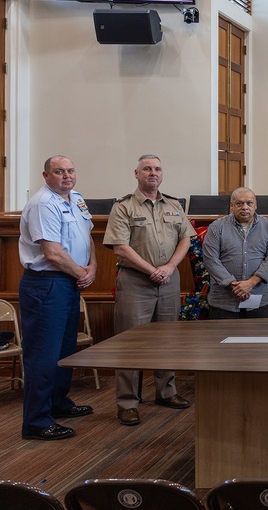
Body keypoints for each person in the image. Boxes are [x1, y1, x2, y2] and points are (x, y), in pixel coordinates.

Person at [104, 154, 194, 426]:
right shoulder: (123, 207)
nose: (152, 173)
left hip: (168, 281)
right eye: (147, 169)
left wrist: (168, 268)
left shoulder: (174, 205)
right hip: (135, 282)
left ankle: (166, 392)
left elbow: (186, 239)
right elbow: (120, 247)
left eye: (157, 169)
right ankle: (128, 402)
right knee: (129, 344)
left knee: (167, 339)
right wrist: (151, 269)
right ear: (136, 173)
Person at [18, 156, 96, 441]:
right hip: (46, 285)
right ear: (45, 175)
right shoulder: (43, 203)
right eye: (59, 171)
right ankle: (37, 422)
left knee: (64, 351)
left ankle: (58, 403)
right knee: (44, 355)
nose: (66, 176)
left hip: (69, 282)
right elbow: (51, 253)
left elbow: (87, 237)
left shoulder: (75, 197)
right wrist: (81, 273)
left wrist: (92, 267)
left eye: (70, 170)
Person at [203, 188, 268, 319]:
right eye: (239, 203)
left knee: (258, 339)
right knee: (221, 339)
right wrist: (234, 284)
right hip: (224, 301)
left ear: (255, 205)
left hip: (258, 299)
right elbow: (211, 260)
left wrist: (251, 283)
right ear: (231, 206)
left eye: (249, 203)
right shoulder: (216, 227)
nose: (245, 207)